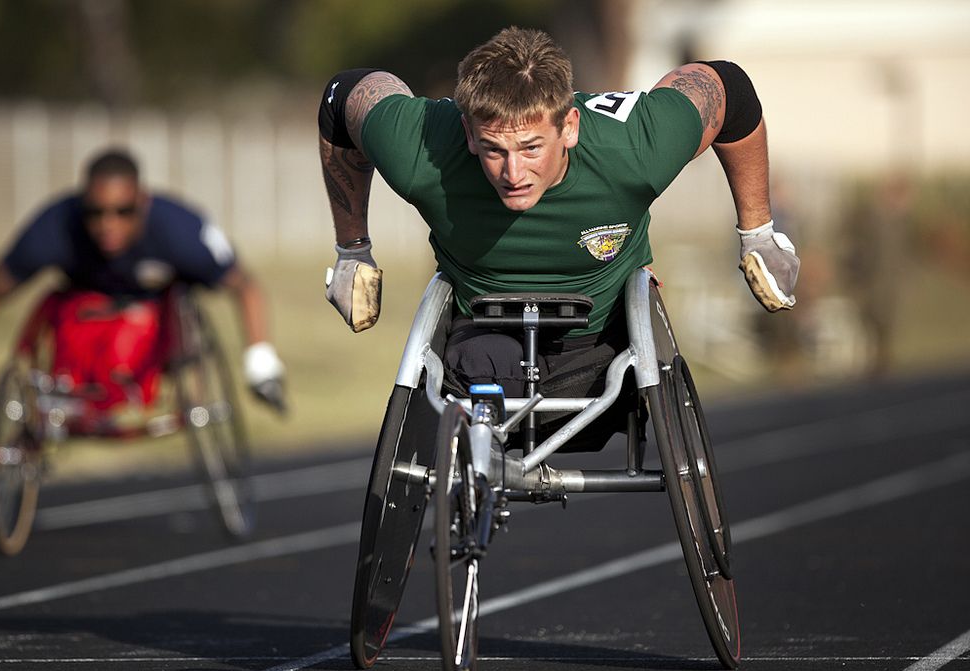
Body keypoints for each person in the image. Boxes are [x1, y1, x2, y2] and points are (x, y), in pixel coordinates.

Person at [319, 27, 799, 401]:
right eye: (493, 149)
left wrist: (757, 232)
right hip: (483, 330)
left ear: (569, 126)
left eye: (530, 148)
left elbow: (729, 89)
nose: (513, 172)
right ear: (467, 134)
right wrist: (352, 250)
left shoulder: (634, 147)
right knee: (471, 367)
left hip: (607, 336)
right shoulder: (423, 150)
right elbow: (343, 97)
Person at [0, 148, 285, 429]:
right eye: (95, 213)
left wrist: (260, 362)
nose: (108, 225)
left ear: (142, 202)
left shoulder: (180, 231)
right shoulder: (53, 228)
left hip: (154, 325)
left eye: (123, 212)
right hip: (82, 318)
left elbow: (245, 287)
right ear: (82, 205)